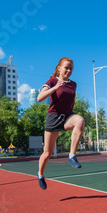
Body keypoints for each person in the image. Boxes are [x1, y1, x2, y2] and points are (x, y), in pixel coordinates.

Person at [37, 57, 85, 190]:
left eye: (71, 69)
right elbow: (39, 98)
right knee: (47, 153)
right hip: (53, 116)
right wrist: (56, 87)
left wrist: (72, 114)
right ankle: (40, 174)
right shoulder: (52, 81)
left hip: (67, 115)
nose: (69, 71)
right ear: (59, 68)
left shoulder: (73, 84)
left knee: (80, 120)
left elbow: (72, 100)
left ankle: (72, 155)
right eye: (66, 68)